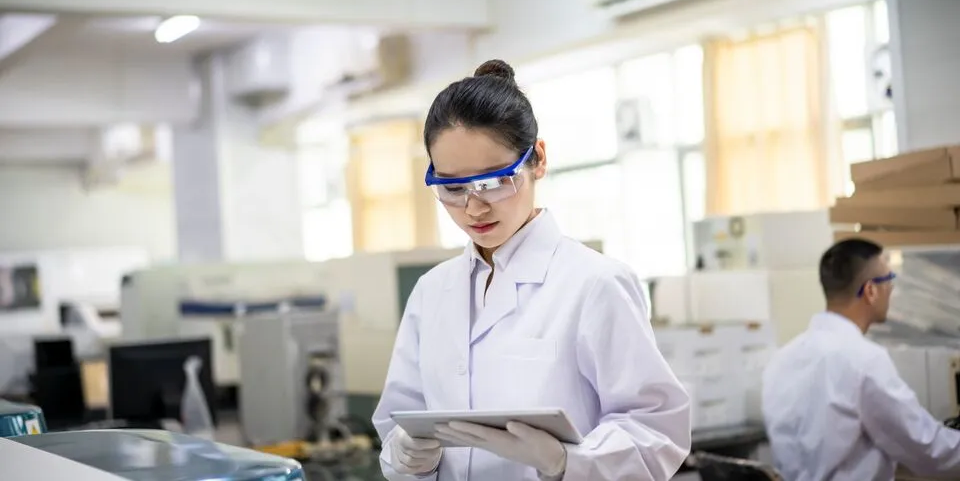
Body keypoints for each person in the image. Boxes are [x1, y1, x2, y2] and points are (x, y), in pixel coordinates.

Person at [371, 59, 691, 481]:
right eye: (452, 187)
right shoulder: (432, 292)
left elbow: (655, 429)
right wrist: (406, 454)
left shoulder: (594, 284)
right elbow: (400, 420)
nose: (474, 207)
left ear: (537, 159)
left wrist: (566, 462)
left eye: (493, 181)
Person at [762, 238, 960, 481]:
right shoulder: (863, 360)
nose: (892, 289)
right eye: (889, 280)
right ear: (871, 290)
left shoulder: (782, 359)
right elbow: (927, 448)